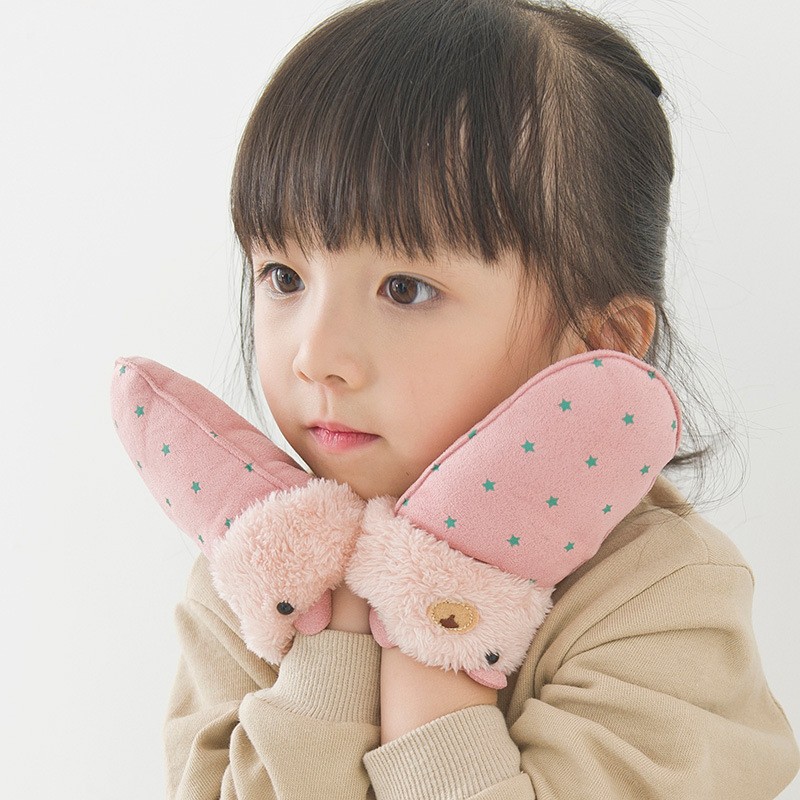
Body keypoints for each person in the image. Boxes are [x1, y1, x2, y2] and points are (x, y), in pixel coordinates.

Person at [163, 0, 800, 797]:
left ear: (599, 344)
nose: (316, 356)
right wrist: (330, 649)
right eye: (283, 276)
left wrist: (437, 644)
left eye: (405, 288)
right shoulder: (260, 570)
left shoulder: (662, 595)